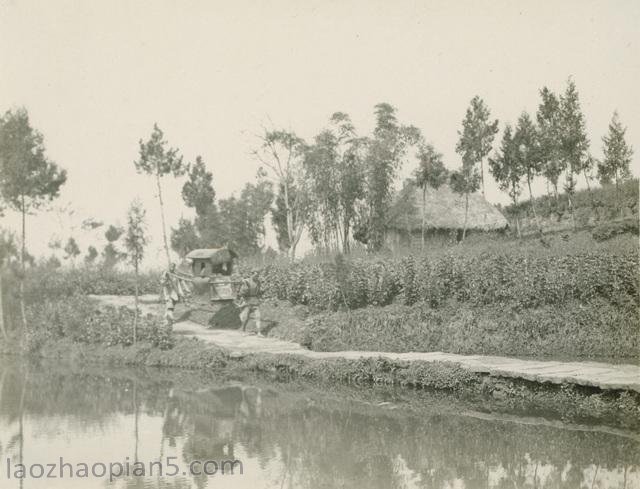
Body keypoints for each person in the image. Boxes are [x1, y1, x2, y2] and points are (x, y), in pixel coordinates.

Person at [236, 270, 264, 337]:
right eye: (256, 275)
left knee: (258, 316)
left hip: (255, 301)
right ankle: (243, 330)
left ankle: (259, 332)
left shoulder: (258, 282)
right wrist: (242, 300)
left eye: (258, 275)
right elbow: (242, 292)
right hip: (247, 301)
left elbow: (259, 291)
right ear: (251, 274)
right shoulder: (246, 281)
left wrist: (261, 296)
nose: (257, 277)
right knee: (246, 317)